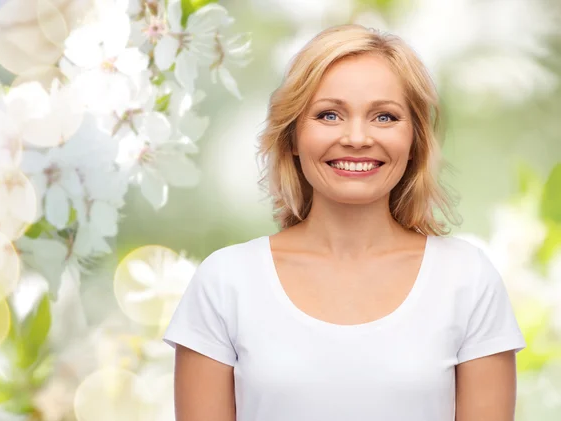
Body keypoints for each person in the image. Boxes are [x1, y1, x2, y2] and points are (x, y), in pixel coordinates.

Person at [162, 24, 526, 421]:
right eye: (329, 114)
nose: (356, 137)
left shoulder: (466, 279)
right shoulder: (225, 281)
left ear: (414, 141)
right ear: (292, 138)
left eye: (384, 116)